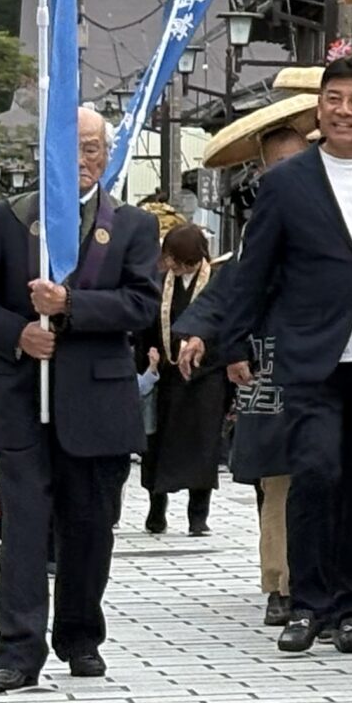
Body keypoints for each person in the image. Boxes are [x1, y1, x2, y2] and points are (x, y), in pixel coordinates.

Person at [177, 54, 352, 658]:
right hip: (310, 354)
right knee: (316, 472)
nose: (343, 110)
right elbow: (253, 269)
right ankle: (307, 604)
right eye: (334, 98)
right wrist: (235, 343)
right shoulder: (286, 181)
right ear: (319, 107)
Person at [0, 106, 164, 692]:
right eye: (70, 147)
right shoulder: (8, 218)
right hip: (22, 397)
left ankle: (80, 636)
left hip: (97, 401)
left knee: (90, 526)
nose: (81, 160)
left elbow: (141, 305)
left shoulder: (131, 224)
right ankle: (18, 650)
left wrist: (70, 306)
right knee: (23, 530)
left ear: (107, 154)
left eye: (92, 148)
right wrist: (18, 333)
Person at [185, 115, 313, 625]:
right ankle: (280, 583)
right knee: (278, 480)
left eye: (298, 161)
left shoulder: (339, 212)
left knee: (332, 477)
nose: (289, 172)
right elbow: (227, 291)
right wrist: (200, 333)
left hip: (330, 363)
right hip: (269, 366)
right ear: (262, 172)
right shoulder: (259, 228)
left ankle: (329, 581)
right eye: (277, 164)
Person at [143, 222, 231, 537]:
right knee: (157, 446)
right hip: (167, 376)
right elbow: (146, 325)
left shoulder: (217, 282)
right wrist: (149, 356)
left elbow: (226, 325)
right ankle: (156, 511)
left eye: (178, 259)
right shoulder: (160, 283)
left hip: (205, 377)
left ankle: (198, 515)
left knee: (202, 445)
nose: (173, 265)